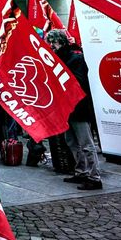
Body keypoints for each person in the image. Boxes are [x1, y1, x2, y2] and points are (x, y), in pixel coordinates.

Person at [45, 29, 102, 191]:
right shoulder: (57, 60)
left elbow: (80, 82)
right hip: (66, 109)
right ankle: (81, 171)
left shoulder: (76, 58)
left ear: (61, 42)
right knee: (71, 142)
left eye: (53, 42)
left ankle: (94, 176)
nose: (50, 46)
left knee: (86, 143)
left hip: (79, 108)